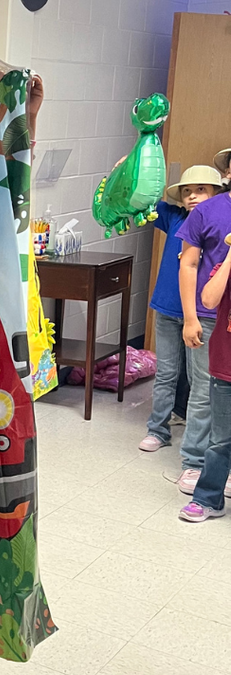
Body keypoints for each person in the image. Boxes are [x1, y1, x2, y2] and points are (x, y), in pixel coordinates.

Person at [139, 166, 223, 458]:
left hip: (201, 314)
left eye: (200, 190)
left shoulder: (218, 223)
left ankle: (193, 434)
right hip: (166, 308)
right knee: (166, 373)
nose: (192, 197)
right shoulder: (174, 218)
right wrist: (126, 170)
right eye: (187, 192)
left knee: (198, 379)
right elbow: (143, 201)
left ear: (216, 192)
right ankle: (158, 429)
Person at [176, 176, 231, 494]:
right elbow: (189, 263)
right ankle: (193, 464)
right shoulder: (207, 211)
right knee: (203, 394)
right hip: (209, 315)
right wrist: (189, 317)